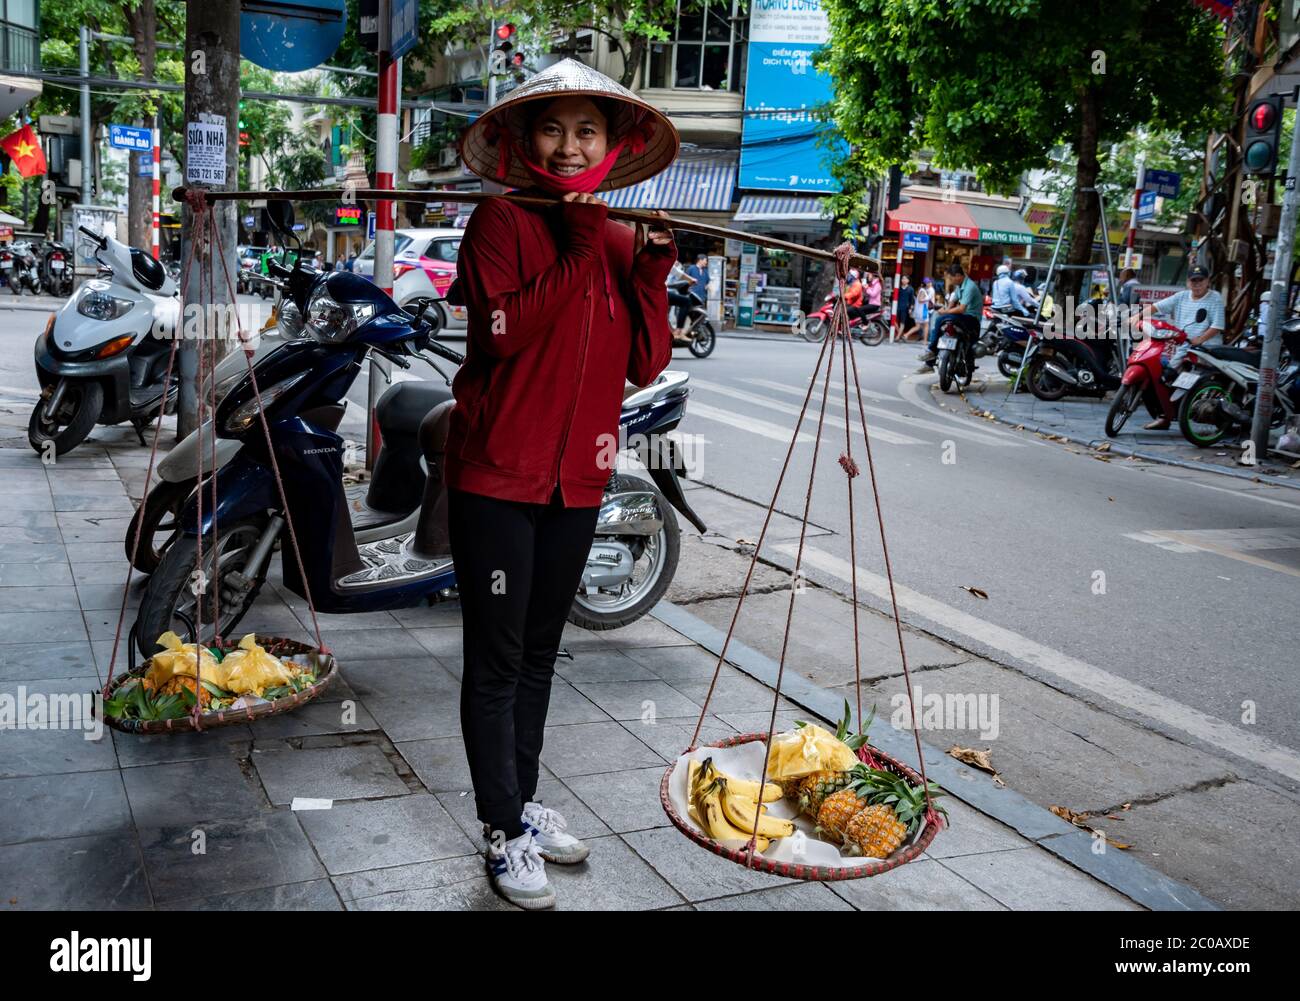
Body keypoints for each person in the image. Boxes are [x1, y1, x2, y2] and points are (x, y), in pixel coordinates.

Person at [451, 58, 678, 909]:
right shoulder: (500, 223)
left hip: (575, 481)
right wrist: (581, 248)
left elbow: (644, 362)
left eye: (588, 130)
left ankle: (521, 804)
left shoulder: (619, 236)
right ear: (523, 138)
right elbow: (504, 333)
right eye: (554, 127)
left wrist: (647, 271)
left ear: (613, 144)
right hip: (498, 476)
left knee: (543, 655)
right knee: (497, 659)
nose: (570, 144)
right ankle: (501, 830)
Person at [1129, 264, 1226, 430]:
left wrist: (1199, 339)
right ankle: (1164, 415)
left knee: (1178, 380)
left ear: (1207, 281)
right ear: (1188, 282)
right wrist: (1137, 316)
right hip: (1182, 347)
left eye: (1200, 280)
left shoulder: (1214, 298)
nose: (1197, 284)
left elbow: (1217, 326)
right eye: (1193, 280)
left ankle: (1179, 413)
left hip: (1205, 350)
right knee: (1157, 375)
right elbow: (1158, 307)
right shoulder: (1181, 297)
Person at [920, 259, 982, 370]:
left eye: (951, 278)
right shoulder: (960, 286)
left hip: (971, 319)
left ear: (958, 276)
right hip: (963, 317)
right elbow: (953, 301)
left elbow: (962, 309)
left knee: (939, 320)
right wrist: (947, 310)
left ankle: (931, 350)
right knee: (942, 323)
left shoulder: (969, 287)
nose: (950, 280)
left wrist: (945, 312)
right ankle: (930, 362)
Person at [666, 258, 695, 344]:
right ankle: (678, 331)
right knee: (686, 301)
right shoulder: (664, 258)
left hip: (648, 292)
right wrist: (691, 279)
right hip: (659, 292)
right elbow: (677, 273)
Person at [904, 275, 934, 342]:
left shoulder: (922, 290)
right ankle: (925, 341)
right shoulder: (923, 291)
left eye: (930, 282)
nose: (929, 284)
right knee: (926, 326)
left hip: (920, 310)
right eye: (928, 283)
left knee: (918, 326)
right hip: (923, 310)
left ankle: (906, 335)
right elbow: (920, 300)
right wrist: (928, 298)